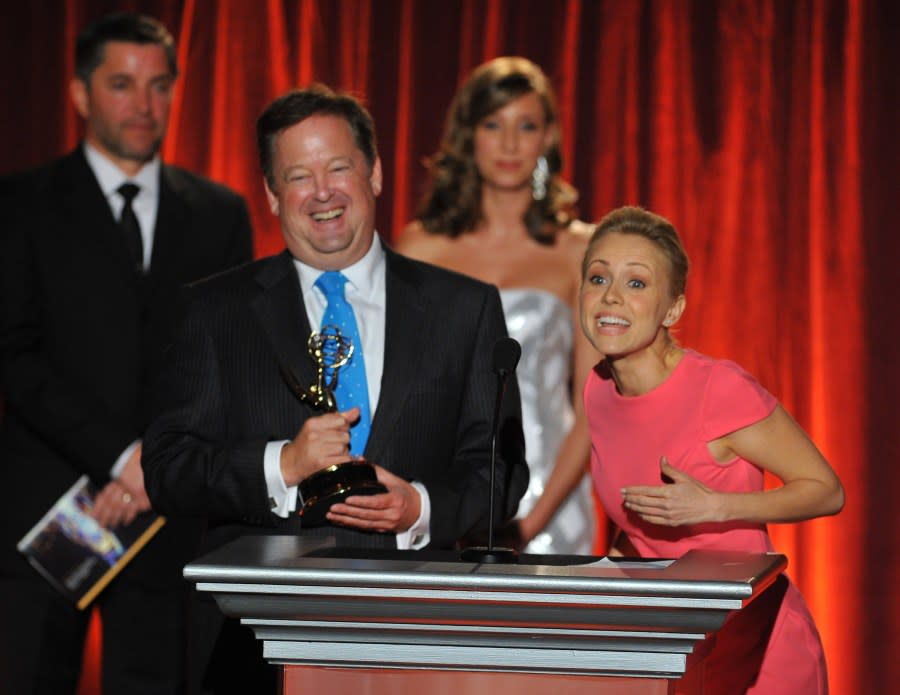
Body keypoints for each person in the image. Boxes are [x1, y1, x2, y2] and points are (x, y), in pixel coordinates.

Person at [141, 84, 529, 694]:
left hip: (418, 631)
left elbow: (500, 472)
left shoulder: (465, 310)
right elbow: (167, 470)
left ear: (374, 173)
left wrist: (420, 508)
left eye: (338, 167)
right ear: (272, 194)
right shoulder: (214, 313)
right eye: (299, 175)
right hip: (256, 644)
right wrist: (281, 464)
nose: (322, 192)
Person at [0, 12, 254, 695]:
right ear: (81, 94)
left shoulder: (219, 212)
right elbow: (16, 357)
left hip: (168, 518)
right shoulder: (19, 205)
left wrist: (152, 464)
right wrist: (123, 458)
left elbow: (224, 360)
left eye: (160, 85)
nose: (145, 105)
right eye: (122, 84)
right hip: (44, 515)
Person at [578, 205, 844, 693]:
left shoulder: (717, 389)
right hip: (674, 649)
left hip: (757, 648)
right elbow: (637, 527)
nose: (610, 296)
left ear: (673, 309)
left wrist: (715, 506)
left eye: (636, 283)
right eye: (597, 278)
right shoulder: (598, 391)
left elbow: (827, 491)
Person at [397, 56, 598, 555]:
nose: (509, 144)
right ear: (469, 135)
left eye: (525, 126)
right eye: (493, 124)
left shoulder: (580, 250)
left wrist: (531, 523)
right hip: (440, 499)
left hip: (553, 501)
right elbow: (402, 393)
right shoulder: (421, 247)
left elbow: (594, 408)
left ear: (547, 138)